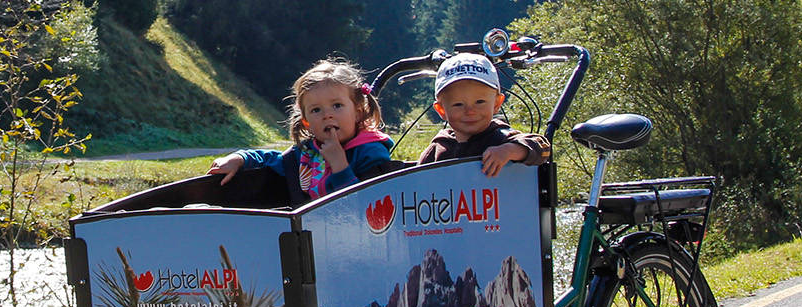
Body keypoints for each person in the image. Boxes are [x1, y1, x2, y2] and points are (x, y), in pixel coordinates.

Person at [207, 58, 394, 200]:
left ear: (358, 112)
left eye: (337, 105)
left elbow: (366, 209)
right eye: (316, 110)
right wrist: (239, 159)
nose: (327, 115)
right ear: (307, 122)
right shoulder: (307, 153)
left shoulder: (370, 154)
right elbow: (274, 160)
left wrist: (339, 165)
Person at [417, 52, 551, 175]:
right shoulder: (437, 149)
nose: (470, 111)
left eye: (480, 102)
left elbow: (543, 149)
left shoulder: (500, 138)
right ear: (441, 110)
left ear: (497, 104)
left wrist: (509, 150)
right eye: (458, 104)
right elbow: (416, 185)